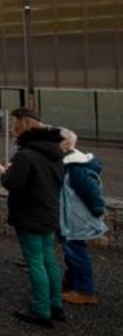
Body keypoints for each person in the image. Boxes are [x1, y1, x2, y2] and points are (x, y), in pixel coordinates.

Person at [0, 108, 65, 327]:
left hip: (30, 214)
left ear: (21, 130)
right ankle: (56, 304)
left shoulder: (25, 155)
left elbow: (15, 184)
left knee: (35, 261)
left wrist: (5, 173)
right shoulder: (54, 153)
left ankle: (40, 309)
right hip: (49, 211)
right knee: (49, 259)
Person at [58, 128, 105, 306]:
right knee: (73, 252)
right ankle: (72, 284)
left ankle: (85, 291)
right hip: (72, 216)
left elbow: (90, 190)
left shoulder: (76, 166)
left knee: (76, 252)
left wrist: (97, 208)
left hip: (75, 217)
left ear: (66, 144)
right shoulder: (73, 163)